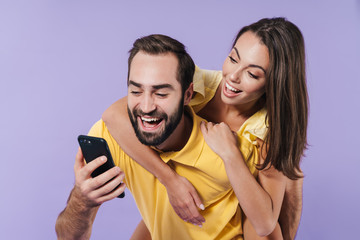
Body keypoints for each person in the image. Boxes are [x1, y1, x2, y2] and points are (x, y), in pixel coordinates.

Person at [102, 17, 308, 240]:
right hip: (187, 196)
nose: (233, 76)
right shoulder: (198, 85)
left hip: (236, 212)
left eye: (252, 74)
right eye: (233, 58)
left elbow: (265, 224)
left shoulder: (265, 131)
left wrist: (231, 155)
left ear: (273, 82)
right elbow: (113, 115)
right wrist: (170, 181)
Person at [56, 34, 257, 239]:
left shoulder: (229, 149)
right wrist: (82, 201)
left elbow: (263, 227)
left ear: (188, 95)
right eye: (136, 91)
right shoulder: (110, 137)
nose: (146, 107)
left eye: (161, 94)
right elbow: (66, 236)